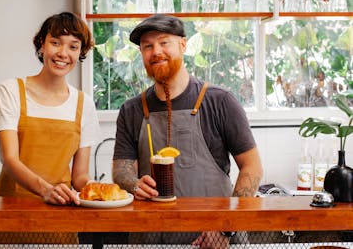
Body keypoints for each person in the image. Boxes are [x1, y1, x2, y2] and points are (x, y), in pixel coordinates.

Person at [112, 14, 263, 248]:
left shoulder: (220, 101)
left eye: (164, 42)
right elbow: (121, 171)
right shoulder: (131, 110)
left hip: (215, 240)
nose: (156, 51)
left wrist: (226, 228)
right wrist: (133, 183)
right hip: (151, 240)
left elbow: (252, 167)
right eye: (147, 46)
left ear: (183, 44)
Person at [0, 12, 101, 244]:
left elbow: (79, 177)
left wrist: (101, 190)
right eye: (55, 42)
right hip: (10, 210)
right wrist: (46, 190)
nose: (63, 53)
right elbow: (10, 159)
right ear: (41, 45)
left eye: (73, 47)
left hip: (59, 215)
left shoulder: (84, 104)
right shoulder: (11, 91)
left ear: (80, 53)